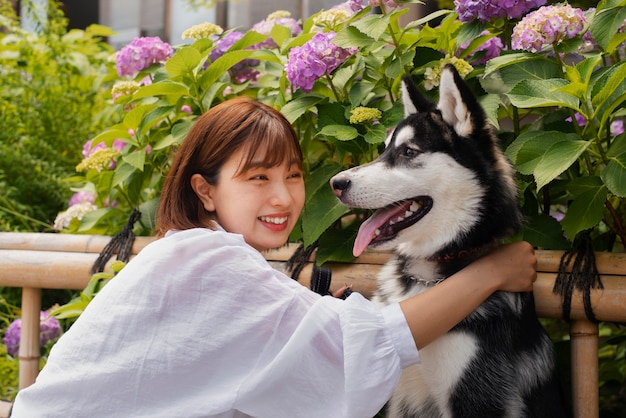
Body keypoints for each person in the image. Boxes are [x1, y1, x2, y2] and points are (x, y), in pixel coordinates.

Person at [11, 97, 537, 417]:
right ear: (206, 190)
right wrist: (491, 271)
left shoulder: (188, 253)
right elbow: (366, 344)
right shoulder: (206, 259)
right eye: (258, 177)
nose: (284, 198)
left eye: (291, 175)